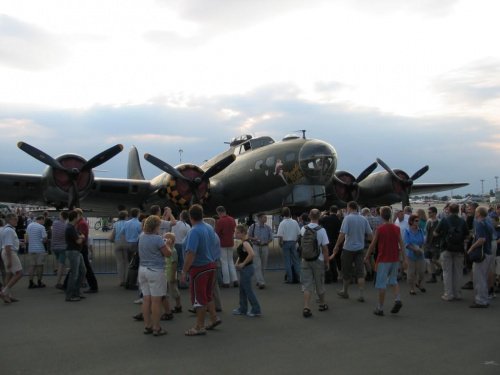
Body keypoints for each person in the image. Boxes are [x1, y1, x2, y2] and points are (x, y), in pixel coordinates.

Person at [181, 204, 221, 336]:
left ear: (190, 217)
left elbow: (190, 253)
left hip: (199, 268)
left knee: (199, 298)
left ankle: (199, 326)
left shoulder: (194, 231)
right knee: (208, 295)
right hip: (210, 265)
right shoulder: (209, 227)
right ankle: (214, 317)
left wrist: (184, 271)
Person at [365, 206, 408, 316]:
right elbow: (402, 245)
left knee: (381, 284)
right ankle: (397, 298)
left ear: (381, 215)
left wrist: (366, 256)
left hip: (383, 259)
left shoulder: (379, 229)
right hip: (394, 258)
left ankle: (380, 307)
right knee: (393, 281)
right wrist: (405, 259)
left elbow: (373, 245)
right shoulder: (396, 228)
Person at [138, 215, 173, 336]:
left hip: (143, 269)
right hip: (156, 270)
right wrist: (168, 244)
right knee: (156, 301)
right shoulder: (157, 239)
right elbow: (168, 254)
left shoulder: (141, 237)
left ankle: (148, 326)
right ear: (156, 226)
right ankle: (157, 328)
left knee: (146, 299)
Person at [331, 201, 373, 302]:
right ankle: (361, 294)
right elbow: (370, 234)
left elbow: (342, 233)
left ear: (349, 208)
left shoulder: (347, 218)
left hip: (348, 248)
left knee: (347, 271)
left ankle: (345, 291)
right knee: (360, 272)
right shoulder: (363, 219)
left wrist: (336, 246)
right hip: (360, 248)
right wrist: (372, 244)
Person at [433, 203, 468, 301]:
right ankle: (457, 293)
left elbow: (435, 233)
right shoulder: (462, 221)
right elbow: (467, 235)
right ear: (458, 210)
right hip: (459, 248)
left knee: (447, 272)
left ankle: (448, 294)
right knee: (458, 272)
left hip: (446, 248)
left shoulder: (444, 220)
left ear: (449, 210)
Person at [300, 209, 329, 318]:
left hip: (305, 259)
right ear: (319, 217)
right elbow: (325, 248)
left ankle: (306, 306)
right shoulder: (321, 230)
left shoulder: (303, 229)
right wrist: (327, 261)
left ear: (309, 216)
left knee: (306, 284)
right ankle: (322, 304)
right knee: (319, 283)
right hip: (318, 259)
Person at [467, 206, 493, 308]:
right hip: (488, 252)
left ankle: (480, 300)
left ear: (479, 213)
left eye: (476, 211)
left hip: (482, 253)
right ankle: (484, 298)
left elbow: (481, 239)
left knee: (479, 278)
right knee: (484, 276)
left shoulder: (480, 224)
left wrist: (471, 248)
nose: (475, 213)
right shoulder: (488, 222)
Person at [233, 224, 262, 317]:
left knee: (248, 290)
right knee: (242, 289)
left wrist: (243, 264)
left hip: (247, 268)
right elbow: (242, 255)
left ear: (242, 233)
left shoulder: (245, 243)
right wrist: (238, 263)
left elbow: (251, 254)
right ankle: (243, 308)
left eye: (237, 233)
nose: (235, 234)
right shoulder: (244, 242)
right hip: (245, 268)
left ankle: (256, 309)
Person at [0, 213, 26, 303]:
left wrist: (18, 243)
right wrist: (10, 260)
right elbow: (7, 245)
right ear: (10, 220)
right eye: (15, 219)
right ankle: (4, 292)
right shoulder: (9, 230)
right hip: (9, 252)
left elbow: (9, 242)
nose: (16, 220)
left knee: (9, 273)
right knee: (19, 273)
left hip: (8, 252)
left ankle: (8, 295)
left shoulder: (8, 229)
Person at [64, 211, 87, 302]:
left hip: (76, 251)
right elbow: (78, 240)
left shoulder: (72, 227)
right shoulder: (71, 228)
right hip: (73, 251)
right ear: (75, 218)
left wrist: (81, 237)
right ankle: (70, 294)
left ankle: (76, 291)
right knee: (74, 273)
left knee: (82, 270)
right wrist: (82, 237)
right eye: (78, 216)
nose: (79, 218)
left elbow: (78, 238)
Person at [75, 208, 98, 293]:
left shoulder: (81, 224)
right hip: (82, 246)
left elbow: (82, 235)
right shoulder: (81, 223)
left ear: (79, 215)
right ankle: (93, 286)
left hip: (82, 246)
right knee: (83, 266)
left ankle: (93, 286)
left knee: (85, 267)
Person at [248, 213, 273, 289]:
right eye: (264, 217)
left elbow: (271, 238)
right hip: (255, 246)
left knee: (263, 265)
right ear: (260, 219)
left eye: (266, 217)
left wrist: (265, 242)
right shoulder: (253, 226)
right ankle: (261, 282)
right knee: (257, 265)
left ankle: (259, 280)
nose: (266, 219)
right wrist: (254, 239)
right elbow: (248, 236)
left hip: (264, 246)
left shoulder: (268, 228)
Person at [277, 207, 301, 284]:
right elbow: (299, 234)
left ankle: (289, 278)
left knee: (287, 261)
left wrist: (280, 243)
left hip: (285, 242)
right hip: (293, 242)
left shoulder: (282, 223)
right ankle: (299, 277)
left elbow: (280, 235)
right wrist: (296, 241)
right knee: (295, 260)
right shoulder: (295, 222)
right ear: (290, 213)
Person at [215, 206, 238, 287]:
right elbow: (234, 229)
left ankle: (226, 281)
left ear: (219, 212)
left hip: (222, 244)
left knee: (224, 263)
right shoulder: (232, 219)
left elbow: (216, 232)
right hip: (231, 242)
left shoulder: (220, 221)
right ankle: (235, 279)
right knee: (230, 261)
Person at [403, 215, 426, 295]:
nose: (418, 222)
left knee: (421, 271)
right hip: (411, 254)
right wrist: (415, 249)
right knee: (411, 273)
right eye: (416, 220)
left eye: (418, 221)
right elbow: (406, 243)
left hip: (420, 254)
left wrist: (421, 249)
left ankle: (418, 283)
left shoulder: (420, 231)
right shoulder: (407, 231)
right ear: (411, 222)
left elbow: (423, 242)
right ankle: (411, 288)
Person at [319, 205, 342, 283]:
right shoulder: (339, 220)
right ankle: (335, 276)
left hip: (326, 240)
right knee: (334, 259)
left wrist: (322, 214)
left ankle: (328, 277)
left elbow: (318, 220)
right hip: (335, 240)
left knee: (326, 258)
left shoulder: (325, 219)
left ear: (329, 211)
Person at [26, 215, 47, 288]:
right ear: (41, 219)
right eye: (44, 221)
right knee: (39, 266)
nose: (44, 223)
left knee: (32, 266)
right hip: (39, 249)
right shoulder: (42, 227)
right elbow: (44, 239)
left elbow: (27, 237)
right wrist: (40, 240)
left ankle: (30, 282)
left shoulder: (29, 226)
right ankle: (39, 281)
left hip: (31, 248)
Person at [171, 210, 191, 288]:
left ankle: (173, 280)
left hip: (174, 244)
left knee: (174, 263)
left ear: (180, 216)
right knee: (182, 265)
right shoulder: (187, 226)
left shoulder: (174, 223)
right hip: (182, 245)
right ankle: (182, 282)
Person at [424, 206, 443, 283]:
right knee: (430, 260)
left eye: (430, 212)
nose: (428, 214)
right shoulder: (428, 222)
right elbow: (426, 232)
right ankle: (433, 276)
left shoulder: (439, 222)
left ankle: (443, 269)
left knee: (435, 259)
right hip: (429, 243)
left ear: (434, 213)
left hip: (436, 243)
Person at [51, 211, 69, 290]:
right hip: (63, 247)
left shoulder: (55, 223)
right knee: (61, 265)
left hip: (54, 246)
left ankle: (56, 269)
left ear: (61, 216)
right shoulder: (66, 226)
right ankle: (58, 282)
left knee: (57, 259)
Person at [110, 210, 128, 287]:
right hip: (126, 243)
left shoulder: (116, 224)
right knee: (127, 262)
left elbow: (113, 233)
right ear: (126, 216)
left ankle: (121, 281)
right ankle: (127, 279)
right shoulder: (128, 223)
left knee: (120, 263)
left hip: (117, 243)